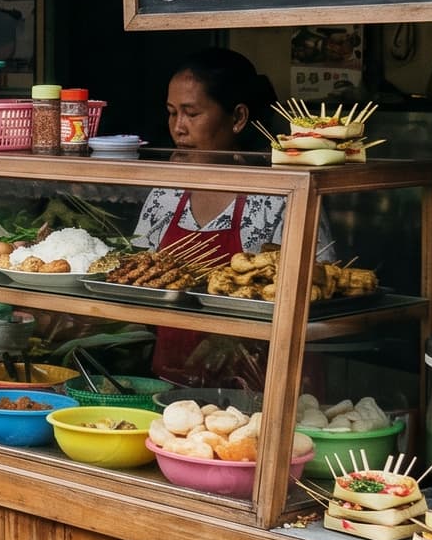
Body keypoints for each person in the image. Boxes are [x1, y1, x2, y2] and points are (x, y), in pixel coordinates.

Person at [135, 48, 333, 385]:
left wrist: (232, 335)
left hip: (262, 386)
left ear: (238, 118)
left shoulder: (279, 197)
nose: (178, 129)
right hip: (170, 385)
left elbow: (321, 290)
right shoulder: (167, 192)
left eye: (191, 113)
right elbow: (136, 278)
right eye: (171, 113)